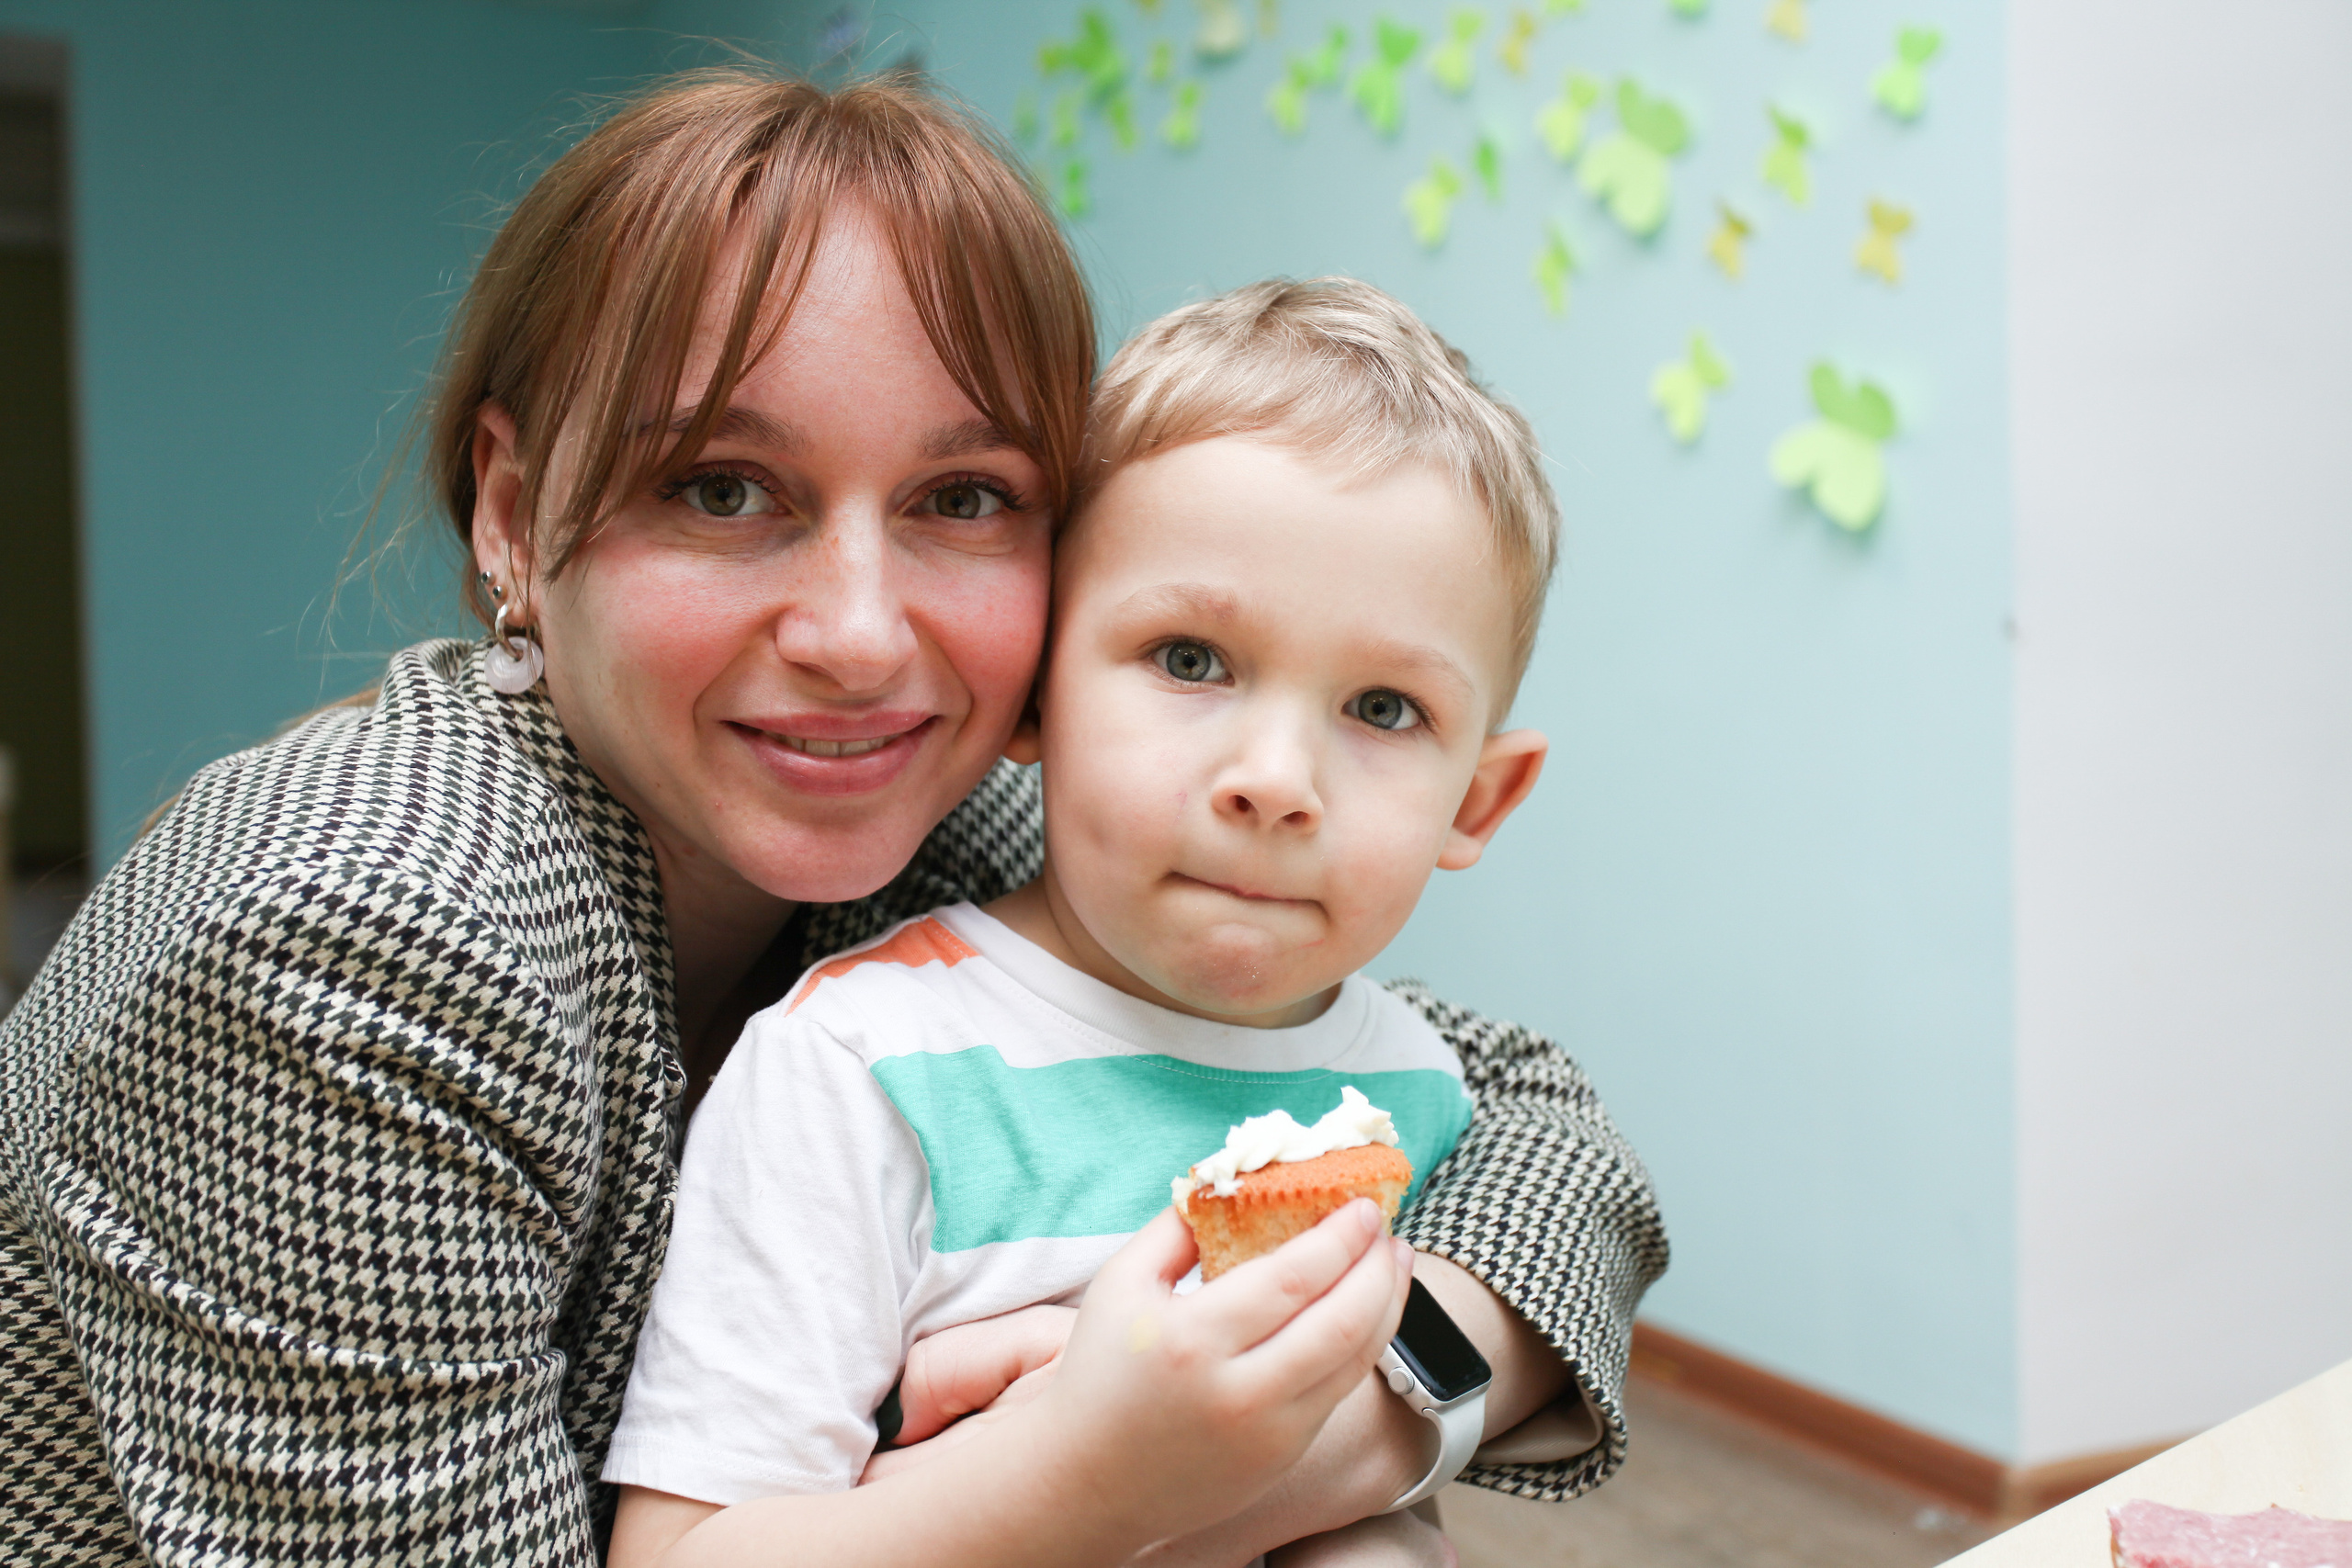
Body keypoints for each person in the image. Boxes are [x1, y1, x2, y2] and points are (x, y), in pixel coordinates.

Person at [0, 70, 1667, 1565]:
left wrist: (1365, 1405)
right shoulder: (352, 944)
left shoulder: (951, 827)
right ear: (513, 514)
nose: (864, 638)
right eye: (723, 489)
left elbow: (1535, 1114)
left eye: (964, 501)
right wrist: (1107, 1474)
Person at [601, 276, 1574, 1568]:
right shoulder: (862, 1070)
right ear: (1029, 696)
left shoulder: (1419, 1089)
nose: (1276, 782)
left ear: (1481, 799)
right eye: (1188, 659)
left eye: (1385, 709)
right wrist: (1083, 1471)